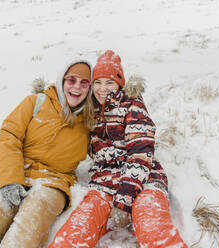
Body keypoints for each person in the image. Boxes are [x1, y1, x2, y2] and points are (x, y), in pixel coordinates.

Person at [49, 50, 188, 248]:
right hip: (104, 181)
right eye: (97, 82)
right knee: (75, 231)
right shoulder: (90, 109)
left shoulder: (133, 105)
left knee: (153, 229)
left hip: (143, 179)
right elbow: (65, 103)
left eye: (109, 82)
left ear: (119, 84)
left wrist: (123, 203)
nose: (102, 88)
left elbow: (140, 154)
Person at [0, 59, 93, 248]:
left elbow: (110, 143)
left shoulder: (90, 119)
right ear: (62, 80)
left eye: (84, 83)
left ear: (89, 88)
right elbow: (9, 135)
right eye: (71, 80)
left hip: (54, 181)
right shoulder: (36, 102)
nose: (77, 87)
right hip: (17, 170)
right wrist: (10, 179)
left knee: (28, 225)